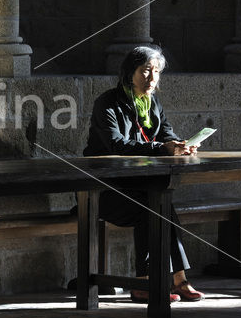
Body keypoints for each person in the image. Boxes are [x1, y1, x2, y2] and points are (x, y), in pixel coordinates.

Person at [84, 45, 205, 303]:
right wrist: (162, 148)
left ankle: (177, 280)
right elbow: (117, 145)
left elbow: (166, 135)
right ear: (130, 73)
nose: (152, 78)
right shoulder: (107, 103)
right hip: (103, 191)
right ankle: (145, 283)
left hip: (138, 186)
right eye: (145, 71)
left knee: (161, 202)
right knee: (152, 206)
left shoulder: (153, 104)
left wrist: (181, 145)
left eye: (157, 72)